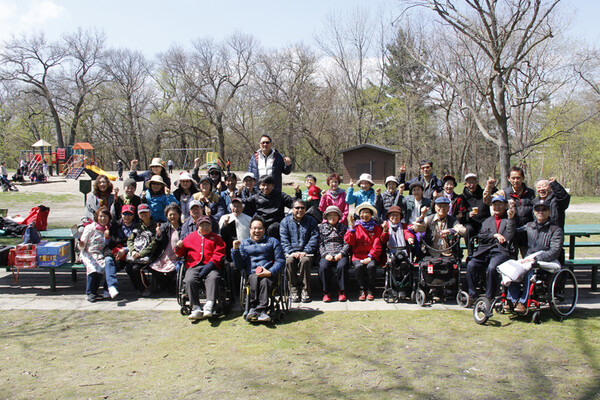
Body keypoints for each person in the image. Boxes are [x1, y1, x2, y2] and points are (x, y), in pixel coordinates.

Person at [502, 198, 563, 313]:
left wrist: (535, 259)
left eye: (544, 209)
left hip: (546, 263)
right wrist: (511, 219)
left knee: (530, 271)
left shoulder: (555, 230)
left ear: (549, 212)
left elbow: (554, 251)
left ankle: (524, 302)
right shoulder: (529, 226)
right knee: (512, 268)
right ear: (534, 212)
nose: (540, 212)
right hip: (528, 260)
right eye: (538, 209)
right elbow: (512, 235)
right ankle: (512, 299)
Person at [232, 216, 285, 323]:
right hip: (252, 274)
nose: (257, 231)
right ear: (250, 229)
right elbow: (240, 265)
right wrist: (235, 251)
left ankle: (261, 310)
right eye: (254, 228)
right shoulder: (244, 244)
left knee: (265, 281)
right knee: (254, 278)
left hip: (269, 274)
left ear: (264, 230)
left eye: (260, 228)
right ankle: (254, 307)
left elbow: (280, 261)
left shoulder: (273, 242)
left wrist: (270, 272)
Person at [466, 195, 516, 301]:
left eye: (500, 205)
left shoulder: (510, 220)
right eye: (495, 205)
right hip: (485, 250)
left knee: (492, 268)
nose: (497, 207)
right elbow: (481, 236)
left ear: (505, 206)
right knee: (471, 264)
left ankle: (489, 296)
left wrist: (511, 219)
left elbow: (511, 236)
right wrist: (495, 235)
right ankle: (472, 294)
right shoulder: (487, 221)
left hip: (501, 251)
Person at [175, 215, 226, 320]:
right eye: (203, 225)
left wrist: (209, 266)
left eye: (208, 225)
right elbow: (181, 253)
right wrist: (178, 247)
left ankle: (209, 304)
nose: (206, 227)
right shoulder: (189, 237)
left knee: (213, 278)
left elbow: (219, 253)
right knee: (189, 279)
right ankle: (195, 307)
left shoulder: (217, 238)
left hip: (211, 265)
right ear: (198, 226)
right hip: (194, 265)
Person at [483, 166, 535, 256]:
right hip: (510, 231)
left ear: (523, 178)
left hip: (527, 232)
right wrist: (489, 188)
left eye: (518, 178)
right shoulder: (504, 193)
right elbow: (487, 201)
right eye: (513, 178)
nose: (515, 181)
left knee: (528, 260)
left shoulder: (531, 193)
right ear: (508, 179)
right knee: (510, 261)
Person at [280, 199, 319, 303]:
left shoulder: (311, 221)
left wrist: (305, 251)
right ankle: (294, 288)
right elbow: (284, 240)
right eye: (297, 208)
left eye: (302, 208)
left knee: (305, 261)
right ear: (292, 209)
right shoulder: (285, 222)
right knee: (289, 261)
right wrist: (291, 252)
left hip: (307, 252)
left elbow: (314, 238)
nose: (300, 210)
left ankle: (305, 290)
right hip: (291, 252)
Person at [345, 203, 383, 301]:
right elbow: (349, 241)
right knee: (358, 267)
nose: (365, 215)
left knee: (371, 266)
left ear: (371, 215)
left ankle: (370, 289)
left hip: (371, 256)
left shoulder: (376, 228)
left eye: (367, 213)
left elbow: (377, 244)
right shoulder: (356, 226)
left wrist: (370, 256)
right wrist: (352, 229)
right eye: (362, 213)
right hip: (357, 255)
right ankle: (362, 289)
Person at [241, 175, 296, 239]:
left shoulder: (280, 195)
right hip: (262, 222)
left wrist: (297, 192)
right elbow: (243, 203)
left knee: (272, 228)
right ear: (259, 186)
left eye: (268, 185)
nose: (265, 187)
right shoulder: (256, 197)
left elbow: (293, 203)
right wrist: (237, 195)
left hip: (276, 222)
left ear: (272, 185)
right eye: (263, 185)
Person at [78, 207, 112, 303]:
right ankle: (90, 292)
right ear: (97, 217)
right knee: (93, 268)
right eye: (101, 216)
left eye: (105, 216)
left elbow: (109, 244)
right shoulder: (90, 228)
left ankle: (99, 290)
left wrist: (107, 236)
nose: (103, 219)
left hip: (100, 254)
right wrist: (81, 244)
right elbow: (82, 244)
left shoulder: (109, 229)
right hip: (88, 253)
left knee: (105, 267)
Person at [104, 204, 138, 298]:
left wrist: (125, 249)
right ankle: (110, 287)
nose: (127, 216)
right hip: (116, 252)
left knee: (131, 267)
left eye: (129, 214)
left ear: (133, 215)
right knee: (109, 262)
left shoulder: (138, 226)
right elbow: (108, 243)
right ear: (121, 214)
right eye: (124, 214)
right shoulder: (115, 225)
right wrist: (106, 236)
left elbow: (140, 242)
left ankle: (139, 288)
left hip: (131, 252)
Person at [318, 206, 350, 302]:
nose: (332, 217)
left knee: (342, 266)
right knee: (323, 267)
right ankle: (326, 292)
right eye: (330, 215)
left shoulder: (344, 228)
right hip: (326, 254)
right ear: (326, 217)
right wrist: (324, 254)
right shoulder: (321, 228)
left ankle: (341, 291)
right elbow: (319, 243)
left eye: (335, 215)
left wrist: (341, 253)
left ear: (339, 217)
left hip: (340, 254)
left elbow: (347, 243)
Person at [126, 204, 159, 297]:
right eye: (141, 213)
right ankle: (138, 288)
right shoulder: (138, 226)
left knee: (136, 268)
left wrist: (141, 254)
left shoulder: (155, 226)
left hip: (149, 255)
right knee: (128, 268)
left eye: (145, 212)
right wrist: (132, 251)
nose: (144, 214)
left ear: (149, 212)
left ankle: (146, 287)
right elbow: (130, 240)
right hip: (136, 254)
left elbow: (154, 244)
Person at [149, 203, 182, 293]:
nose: (172, 216)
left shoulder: (182, 228)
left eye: (174, 214)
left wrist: (178, 254)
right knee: (151, 267)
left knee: (173, 271)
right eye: (170, 214)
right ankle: (167, 285)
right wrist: (158, 234)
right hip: (163, 255)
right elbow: (158, 240)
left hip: (176, 256)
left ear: (179, 215)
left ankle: (169, 285)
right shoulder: (163, 227)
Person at [457, 173, 490, 255]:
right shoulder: (462, 197)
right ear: (465, 184)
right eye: (469, 182)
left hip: (483, 222)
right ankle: (470, 254)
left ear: (477, 182)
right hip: (470, 223)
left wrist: (491, 186)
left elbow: (495, 196)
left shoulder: (483, 194)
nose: (471, 185)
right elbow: (459, 215)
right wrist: (468, 215)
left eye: (473, 182)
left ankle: (484, 253)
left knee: (486, 229)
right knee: (468, 230)